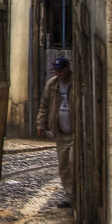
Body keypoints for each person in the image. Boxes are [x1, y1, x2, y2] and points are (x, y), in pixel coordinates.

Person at [36, 55, 75, 200]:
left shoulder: (77, 83)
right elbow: (44, 105)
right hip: (61, 132)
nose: (58, 73)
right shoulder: (52, 85)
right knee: (64, 167)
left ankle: (78, 194)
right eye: (56, 71)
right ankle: (70, 196)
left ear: (67, 69)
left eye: (60, 70)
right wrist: (41, 124)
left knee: (74, 162)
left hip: (76, 132)